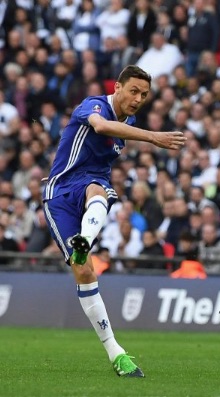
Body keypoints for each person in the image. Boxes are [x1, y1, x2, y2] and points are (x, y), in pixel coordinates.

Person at [42, 65, 186, 377]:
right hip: (59, 196)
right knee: (84, 271)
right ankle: (84, 246)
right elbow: (100, 126)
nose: (138, 99)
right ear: (117, 87)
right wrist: (153, 137)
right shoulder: (94, 105)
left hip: (89, 185)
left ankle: (117, 355)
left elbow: (79, 146)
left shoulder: (129, 121)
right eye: (133, 91)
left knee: (101, 190)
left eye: (144, 95)